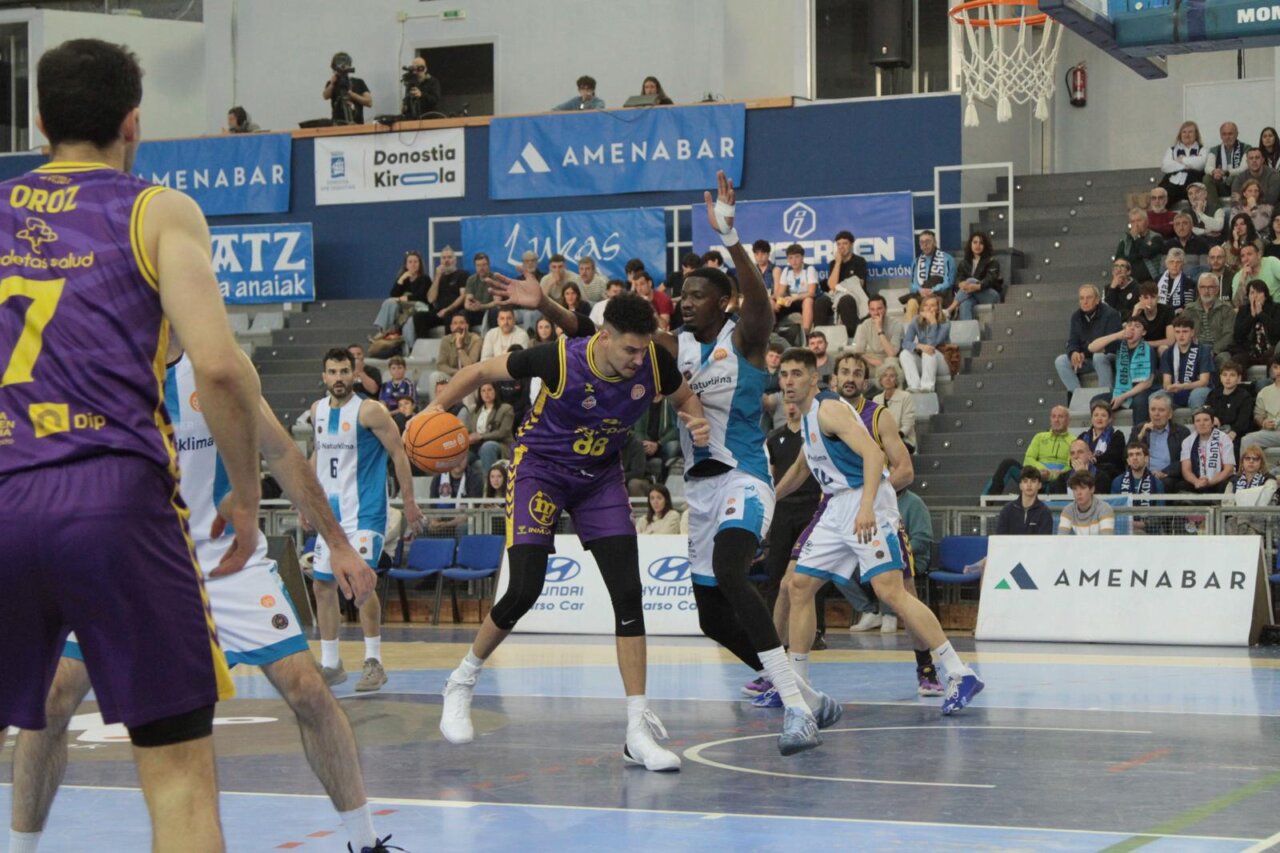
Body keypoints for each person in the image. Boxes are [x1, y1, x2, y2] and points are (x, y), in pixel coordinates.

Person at [0, 38, 261, 853]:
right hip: (117, 499)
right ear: (133, 124)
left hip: (5, 490)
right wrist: (248, 494)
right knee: (178, 777)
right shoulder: (158, 210)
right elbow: (219, 366)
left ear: (38, 122)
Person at [431, 282, 711, 771]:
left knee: (629, 594)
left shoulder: (653, 363)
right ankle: (461, 680)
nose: (637, 360)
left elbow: (686, 398)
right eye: (629, 350)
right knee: (524, 589)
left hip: (599, 478)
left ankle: (637, 729)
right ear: (604, 336)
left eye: (643, 349)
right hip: (541, 470)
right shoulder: (558, 359)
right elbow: (478, 371)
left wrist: (696, 421)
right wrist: (432, 412)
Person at [678, 171, 842, 755]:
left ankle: (795, 711)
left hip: (744, 478)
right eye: (682, 294)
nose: (685, 301)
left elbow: (761, 306)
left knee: (731, 572)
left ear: (722, 302)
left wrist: (730, 237)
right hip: (698, 492)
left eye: (697, 295)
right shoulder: (673, 347)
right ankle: (807, 695)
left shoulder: (744, 338)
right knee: (711, 617)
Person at [776, 347, 983, 713]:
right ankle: (797, 685)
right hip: (836, 505)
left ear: (814, 378)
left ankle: (958, 671)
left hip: (864, 499)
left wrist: (867, 506)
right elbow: (801, 469)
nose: (788, 381)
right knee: (799, 585)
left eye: (796, 374)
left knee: (892, 592)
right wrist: (769, 498)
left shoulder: (829, 410)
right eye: (783, 375)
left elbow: (874, 455)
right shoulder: (806, 418)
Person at [310, 348, 424, 693]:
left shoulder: (370, 410)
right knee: (322, 586)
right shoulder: (316, 410)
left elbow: (398, 452)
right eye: (332, 372)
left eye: (344, 371)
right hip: (330, 516)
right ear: (324, 376)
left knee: (361, 584)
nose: (339, 378)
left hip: (365, 512)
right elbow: (317, 455)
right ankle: (331, 664)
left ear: (354, 374)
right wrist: (306, 501)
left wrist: (409, 502)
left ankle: (374, 662)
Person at [1054, 284, 1121, 397]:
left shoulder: (1111, 314)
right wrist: (1073, 352)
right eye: (1082, 298)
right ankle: (1078, 396)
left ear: (1097, 300)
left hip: (1108, 356)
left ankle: (1105, 396)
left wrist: (1084, 353)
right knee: (1061, 361)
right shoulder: (1076, 316)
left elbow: (1112, 345)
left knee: (1098, 356)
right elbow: (1073, 340)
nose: (1085, 302)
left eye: (1089, 298)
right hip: (1087, 359)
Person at [1090, 315, 1156, 427]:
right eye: (1129, 326)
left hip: (1140, 391)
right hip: (1121, 390)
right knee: (1097, 401)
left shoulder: (1148, 349)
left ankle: (1138, 435)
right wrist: (1116, 335)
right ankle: (1102, 433)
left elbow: (1147, 383)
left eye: (1137, 326)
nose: (1132, 329)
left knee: (1140, 402)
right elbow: (1092, 347)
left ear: (1143, 332)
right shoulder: (1120, 345)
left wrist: (1123, 397)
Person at [1134, 391, 1191, 492]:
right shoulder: (1139, 429)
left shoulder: (1182, 432)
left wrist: (1164, 472)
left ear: (1170, 414)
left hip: (1167, 477)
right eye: (1153, 409)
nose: (1156, 414)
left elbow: (1183, 461)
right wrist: (1141, 435)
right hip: (1141, 474)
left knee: (1164, 484)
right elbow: (1127, 455)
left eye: (1161, 410)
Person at [372, 251, 429, 341]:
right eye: (410, 262)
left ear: (420, 264)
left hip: (417, 307)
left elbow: (422, 296)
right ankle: (382, 330)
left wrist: (407, 298)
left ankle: (410, 347)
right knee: (389, 302)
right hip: (403, 307)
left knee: (408, 325)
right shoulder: (404, 278)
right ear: (406, 265)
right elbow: (393, 295)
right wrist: (401, 279)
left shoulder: (425, 279)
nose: (413, 264)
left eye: (415, 262)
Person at [899, 294, 951, 393]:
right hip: (925, 361)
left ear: (938, 308)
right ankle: (914, 386)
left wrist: (933, 323)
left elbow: (932, 345)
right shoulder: (916, 321)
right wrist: (919, 346)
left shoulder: (945, 324)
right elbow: (905, 343)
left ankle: (927, 387)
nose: (928, 308)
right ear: (922, 307)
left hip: (942, 362)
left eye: (932, 305)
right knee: (904, 354)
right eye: (926, 305)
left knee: (929, 351)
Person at [1205, 359, 1254, 459]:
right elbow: (1205, 410)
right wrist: (1211, 417)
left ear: (1239, 378)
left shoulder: (1245, 397)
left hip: (1236, 435)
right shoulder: (1214, 394)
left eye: (1232, 375)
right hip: (1215, 433)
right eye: (1224, 375)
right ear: (1220, 377)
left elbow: (1243, 421)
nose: (1228, 378)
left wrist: (1233, 432)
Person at [1181, 406, 1236, 494]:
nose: (1202, 423)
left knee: (1226, 484)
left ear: (1212, 423)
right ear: (1194, 424)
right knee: (1180, 485)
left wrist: (1210, 482)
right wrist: (1196, 482)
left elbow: (1229, 469)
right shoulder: (1187, 441)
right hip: (1197, 481)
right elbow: (1186, 470)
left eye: (1206, 420)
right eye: (1198, 421)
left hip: (1218, 481)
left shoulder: (1224, 438)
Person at [1184, 272, 1237, 361]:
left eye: (1210, 287)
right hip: (1194, 349)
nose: (1206, 291)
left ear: (1217, 289)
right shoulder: (1189, 310)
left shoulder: (1226, 309)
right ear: (1198, 289)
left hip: (1218, 351)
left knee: (1224, 358)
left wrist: (1213, 351)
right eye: (1203, 287)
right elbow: (1183, 332)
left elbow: (1229, 335)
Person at [903, 230, 955, 319]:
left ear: (935, 242)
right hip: (921, 295)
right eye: (922, 242)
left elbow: (949, 282)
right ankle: (910, 328)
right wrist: (920, 290)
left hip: (940, 295)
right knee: (911, 303)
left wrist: (933, 290)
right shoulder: (916, 262)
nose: (925, 245)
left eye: (928, 241)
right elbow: (912, 285)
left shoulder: (947, 259)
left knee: (931, 304)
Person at [949, 231, 1002, 320]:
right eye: (975, 242)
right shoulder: (964, 263)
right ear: (970, 244)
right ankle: (968, 329)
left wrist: (976, 286)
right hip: (970, 295)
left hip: (990, 295)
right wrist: (960, 284)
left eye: (981, 243)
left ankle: (950, 309)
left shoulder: (992, 261)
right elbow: (958, 280)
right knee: (965, 304)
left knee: (970, 280)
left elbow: (990, 280)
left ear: (985, 246)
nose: (978, 245)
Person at [850, 293, 903, 381]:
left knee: (891, 363)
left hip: (891, 360)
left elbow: (892, 353)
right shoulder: (865, 325)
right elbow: (858, 353)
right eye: (872, 309)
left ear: (885, 309)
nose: (876, 313)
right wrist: (872, 361)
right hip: (874, 358)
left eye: (879, 308)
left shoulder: (896, 325)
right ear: (869, 311)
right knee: (853, 363)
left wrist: (879, 329)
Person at [1229, 279, 1280, 369]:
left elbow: (1277, 332)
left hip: (1271, 349)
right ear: (1248, 296)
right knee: (1236, 360)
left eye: (1259, 292)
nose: (1255, 296)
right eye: (1252, 293)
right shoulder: (1243, 310)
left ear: (1265, 295)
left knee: (1272, 355)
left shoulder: (1276, 308)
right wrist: (1252, 316)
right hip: (1249, 351)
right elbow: (1238, 335)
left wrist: (1261, 314)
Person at [827, 230, 871, 334]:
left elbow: (859, 284)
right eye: (838, 244)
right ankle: (819, 335)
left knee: (846, 300)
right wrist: (838, 263)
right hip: (836, 295)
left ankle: (851, 335)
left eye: (845, 243)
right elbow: (832, 286)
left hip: (855, 295)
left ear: (851, 244)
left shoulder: (859, 261)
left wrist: (841, 287)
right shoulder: (833, 263)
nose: (841, 247)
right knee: (820, 302)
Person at [430, 312, 482, 399]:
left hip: (470, 377)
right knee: (435, 376)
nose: (458, 326)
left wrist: (459, 348)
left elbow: (470, 366)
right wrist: (456, 372)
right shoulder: (446, 340)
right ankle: (435, 405)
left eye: (461, 323)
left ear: (467, 326)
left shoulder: (475, 340)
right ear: (451, 327)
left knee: (468, 381)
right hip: (452, 376)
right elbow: (441, 364)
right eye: (455, 323)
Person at [772, 243, 817, 344]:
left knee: (808, 300)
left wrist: (794, 298)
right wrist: (779, 301)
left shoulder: (809, 269)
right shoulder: (786, 270)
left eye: (797, 257)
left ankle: (806, 335)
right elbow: (780, 292)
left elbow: (811, 292)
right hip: (791, 301)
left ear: (802, 258)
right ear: (788, 259)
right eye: (791, 258)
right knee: (772, 302)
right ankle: (772, 332)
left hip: (804, 299)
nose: (794, 261)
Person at [422, 246, 470, 335]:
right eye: (444, 258)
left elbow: (463, 296)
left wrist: (447, 309)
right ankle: (422, 342)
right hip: (440, 311)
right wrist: (437, 276)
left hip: (455, 310)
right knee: (419, 317)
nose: (446, 260)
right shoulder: (438, 277)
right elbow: (430, 299)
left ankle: (449, 343)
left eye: (449, 257)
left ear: (455, 260)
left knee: (449, 316)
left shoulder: (462, 274)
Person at [468, 382, 514, 473]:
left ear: (495, 391)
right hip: (476, 447)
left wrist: (481, 436)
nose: (486, 393)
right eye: (483, 391)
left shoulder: (505, 409)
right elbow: (469, 430)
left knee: (487, 447)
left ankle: (488, 481)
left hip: (500, 445)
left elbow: (502, 433)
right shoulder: (474, 410)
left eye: (489, 390)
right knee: (459, 454)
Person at [1078, 401, 1126, 487]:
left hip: (1108, 474)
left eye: (1103, 415)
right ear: (1091, 418)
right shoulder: (1082, 436)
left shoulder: (1117, 435)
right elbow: (1074, 456)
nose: (1099, 418)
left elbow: (1113, 458)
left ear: (1110, 419)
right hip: (1083, 471)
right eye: (1096, 415)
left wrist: (1092, 459)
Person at [1158, 121, 1206, 206]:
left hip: (1193, 181)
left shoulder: (1203, 149)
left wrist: (1182, 159)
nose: (1187, 135)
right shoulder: (1172, 150)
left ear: (1196, 135)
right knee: (1160, 195)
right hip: (1173, 182)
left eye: (1190, 132)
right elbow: (1165, 166)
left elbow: (1200, 164)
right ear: (1180, 134)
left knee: (1195, 195)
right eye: (1184, 132)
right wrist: (1188, 164)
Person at [996, 469, 1056, 534]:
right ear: (1020, 486)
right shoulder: (1007, 510)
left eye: (1033, 481)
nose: (1029, 485)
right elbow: (1000, 537)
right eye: (1025, 481)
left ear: (1039, 485)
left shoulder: (1045, 513)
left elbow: (1044, 539)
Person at [1241, 354, 1280, 452]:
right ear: (1271, 370)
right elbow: (1258, 416)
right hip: (1272, 433)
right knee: (1247, 440)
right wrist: (1263, 423)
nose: (1279, 371)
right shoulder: (1264, 392)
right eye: (1275, 367)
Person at [874, 363, 917, 450]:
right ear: (880, 380)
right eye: (884, 376)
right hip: (883, 442)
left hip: (903, 440)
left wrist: (893, 438)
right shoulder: (876, 399)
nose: (888, 379)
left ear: (896, 380)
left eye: (892, 376)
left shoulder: (905, 396)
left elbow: (908, 424)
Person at [322, 51, 372, 124]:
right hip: (337, 125)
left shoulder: (358, 82)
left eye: (346, 63)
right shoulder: (332, 84)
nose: (343, 66)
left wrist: (352, 95)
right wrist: (332, 83)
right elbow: (325, 96)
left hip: (357, 125)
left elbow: (369, 102)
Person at [1116, 208, 1164, 282]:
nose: (1136, 225)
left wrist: (1136, 237)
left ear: (1147, 222)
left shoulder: (1156, 237)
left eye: (1139, 220)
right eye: (1133, 221)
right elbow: (1119, 259)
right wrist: (1138, 256)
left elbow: (1146, 253)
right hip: (1129, 281)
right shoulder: (1126, 240)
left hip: (1151, 281)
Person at [1208, 121, 1249, 200]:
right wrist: (1214, 171)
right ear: (1220, 136)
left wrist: (1227, 173)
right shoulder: (1214, 149)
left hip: (1238, 182)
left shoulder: (1246, 148)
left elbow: (1244, 169)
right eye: (1224, 134)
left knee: (1237, 177)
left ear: (1236, 134)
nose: (1227, 137)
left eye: (1230, 134)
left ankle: (1237, 205)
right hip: (1220, 182)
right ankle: (1215, 206)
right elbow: (1208, 167)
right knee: (1207, 178)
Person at [1130, 280, 1175, 352]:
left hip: (1159, 348)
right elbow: (1129, 339)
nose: (1149, 301)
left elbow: (1171, 340)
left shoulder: (1167, 310)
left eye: (1153, 297)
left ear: (1158, 298)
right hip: (1141, 350)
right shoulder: (1137, 311)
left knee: (1163, 348)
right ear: (1140, 299)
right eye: (1146, 298)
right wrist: (1134, 315)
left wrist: (1145, 344)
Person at [462, 252, 497, 329]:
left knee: (494, 311)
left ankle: (494, 336)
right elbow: (467, 304)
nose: (481, 268)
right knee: (463, 314)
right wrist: (473, 307)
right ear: (475, 267)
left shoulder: (495, 278)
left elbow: (497, 302)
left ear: (489, 265)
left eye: (484, 265)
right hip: (477, 312)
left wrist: (481, 306)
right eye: (478, 265)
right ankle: (464, 336)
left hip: (490, 311)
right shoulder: (471, 279)